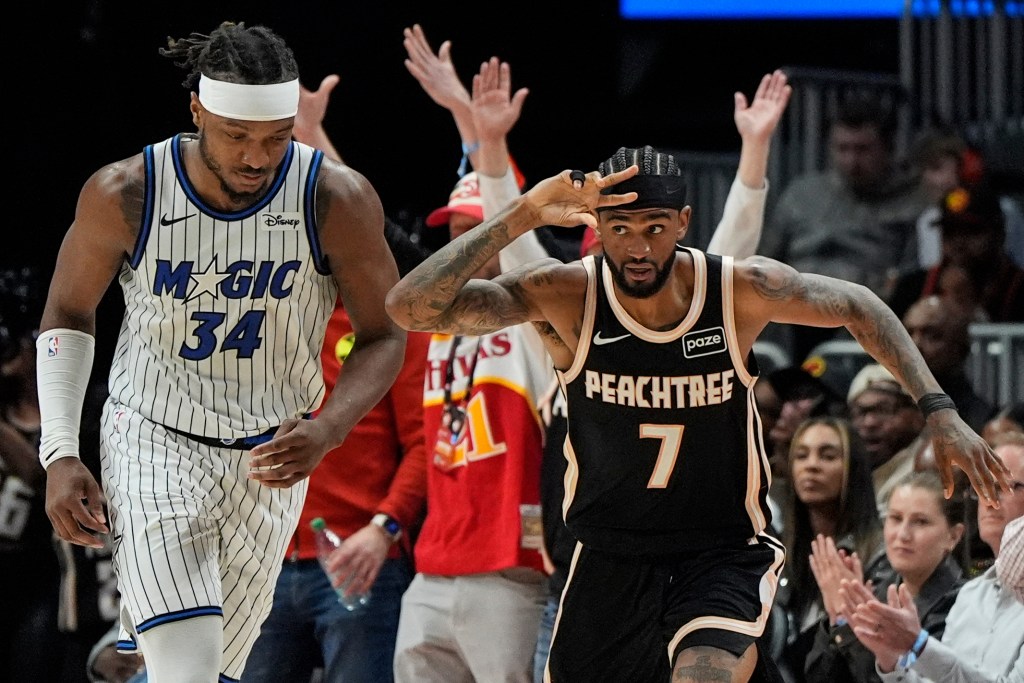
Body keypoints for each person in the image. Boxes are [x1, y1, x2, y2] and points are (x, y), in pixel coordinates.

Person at [383, 144, 1011, 681]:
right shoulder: (565, 293)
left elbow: (860, 305)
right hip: (608, 549)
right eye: (620, 229)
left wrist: (939, 410)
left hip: (719, 547)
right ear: (597, 224)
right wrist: (523, 212)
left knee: (701, 673)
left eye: (654, 227)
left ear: (683, 221)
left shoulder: (736, 290)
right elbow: (410, 308)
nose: (637, 247)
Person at [35, 20, 406, 683]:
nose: (257, 157)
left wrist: (329, 427)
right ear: (197, 111)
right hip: (152, 440)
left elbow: (385, 333)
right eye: (237, 135)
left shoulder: (335, 198)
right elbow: (67, 310)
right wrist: (60, 451)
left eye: (276, 137)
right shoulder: (126, 192)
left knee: (211, 674)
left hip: (269, 463)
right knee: (187, 668)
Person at [239, 72, 431, 683]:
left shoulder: (391, 327)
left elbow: (425, 444)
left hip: (359, 559)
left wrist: (383, 530)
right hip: (261, 561)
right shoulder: (262, 314)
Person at [758, 92, 931, 361]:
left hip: (865, 322)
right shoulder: (801, 195)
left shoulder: (914, 202)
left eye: (863, 149)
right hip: (790, 320)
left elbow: (911, 279)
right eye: (843, 148)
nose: (852, 161)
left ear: (888, 148)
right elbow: (763, 259)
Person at [843, 431, 1024, 683]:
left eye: (1008, 486)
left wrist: (918, 644)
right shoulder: (970, 595)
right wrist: (890, 660)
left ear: (954, 535)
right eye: (983, 485)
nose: (990, 498)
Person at [804, 470, 967, 683]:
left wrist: (850, 623)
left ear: (953, 536)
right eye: (896, 518)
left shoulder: (963, 606)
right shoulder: (876, 591)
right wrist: (838, 617)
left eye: (920, 522)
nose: (903, 534)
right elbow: (817, 677)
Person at [776, 416, 884, 683]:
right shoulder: (779, 550)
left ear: (853, 469)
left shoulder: (880, 552)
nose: (811, 465)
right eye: (801, 456)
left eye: (828, 456)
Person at [888, 182, 1024, 323]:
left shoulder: (1019, 288)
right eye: (949, 232)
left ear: (998, 234)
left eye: (971, 231)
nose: (958, 243)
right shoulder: (912, 289)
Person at [901, 295, 996, 432]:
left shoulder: (979, 420)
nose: (914, 345)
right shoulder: (884, 402)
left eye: (932, 336)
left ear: (960, 348)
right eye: (907, 334)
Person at [847, 364, 928, 517]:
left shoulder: (930, 469)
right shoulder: (848, 472)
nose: (869, 422)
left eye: (883, 410)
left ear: (919, 415)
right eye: (860, 412)